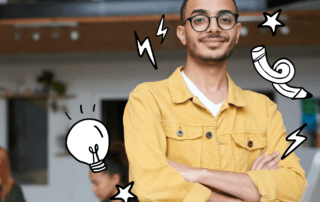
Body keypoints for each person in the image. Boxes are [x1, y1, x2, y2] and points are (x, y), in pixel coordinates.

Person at [123, 0, 308, 201]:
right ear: (182, 33)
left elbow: (296, 187)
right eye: (200, 19)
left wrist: (200, 174)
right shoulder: (147, 99)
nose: (213, 28)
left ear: (237, 32)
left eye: (225, 19)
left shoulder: (263, 109)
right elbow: (149, 185)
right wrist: (247, 191)